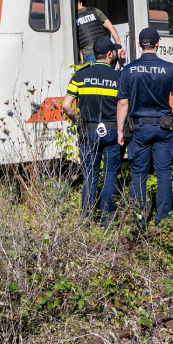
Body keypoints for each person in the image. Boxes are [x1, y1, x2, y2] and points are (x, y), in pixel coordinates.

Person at [116, 27, 173, 226]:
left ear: (139, 45)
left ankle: (138, 218)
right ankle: (163, 219)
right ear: (157, 44)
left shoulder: (128, 70)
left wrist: (120, 130)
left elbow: (123, 104)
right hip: (164, 128)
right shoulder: (170, 69)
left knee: (138, 173)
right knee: (164, 172)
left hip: (139, 129)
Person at [62, 35, 123, 226]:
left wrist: (77, 120)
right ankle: (107, 219)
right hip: (112, 131)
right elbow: (123, 104)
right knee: (111, 175)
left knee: (90, 175)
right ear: (109, 54)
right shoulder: (118, 77)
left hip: (88, 130)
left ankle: (87, 218)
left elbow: (66, 106)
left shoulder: (79, 76)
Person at [75, 0, 126, 64]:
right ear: (81, 3)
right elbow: (111, 27)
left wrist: (82, 60)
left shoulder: (73, 18)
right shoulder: (95, 11)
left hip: (89, 55)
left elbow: (79, 43)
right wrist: (119, 46)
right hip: (106, 52)